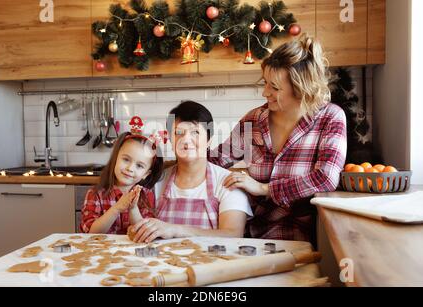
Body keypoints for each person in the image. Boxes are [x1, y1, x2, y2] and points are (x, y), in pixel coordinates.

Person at [210, 34, 347, 243]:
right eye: (265, 83)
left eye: (274, 87)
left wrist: (263, 188)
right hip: (247, 231)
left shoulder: (330, 118)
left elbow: (326, 178)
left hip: (297, 236)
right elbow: (216, 159)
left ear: (301, 88)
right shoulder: (254, 119)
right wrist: (152, 165)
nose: (265, 92)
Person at [130, 101, 253, 243]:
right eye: (179, 133)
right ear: (170, 139)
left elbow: (233, 234)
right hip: (164, 262)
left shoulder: (227, 182)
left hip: (214, 263)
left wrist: (175, 230)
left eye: (195, 132)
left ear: (208, 141)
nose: (186, 140)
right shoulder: (156, 180)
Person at [80, 132, 163, 234]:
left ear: (146, 174)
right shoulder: (95, 194)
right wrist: (116, 209)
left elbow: (144, 233)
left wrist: (133, 209)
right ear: (116, 158)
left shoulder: (146, 196)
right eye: (126, 159)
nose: (130, 168)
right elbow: (91, 233)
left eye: (139, 166)